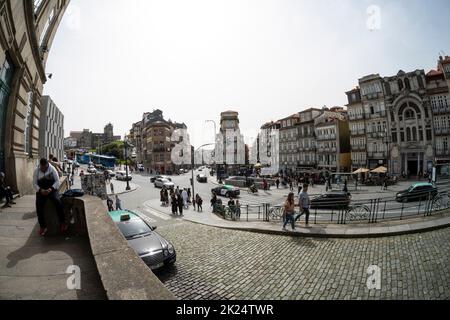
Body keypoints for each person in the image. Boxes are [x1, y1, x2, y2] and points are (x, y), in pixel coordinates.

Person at [33, 158, 67, 236]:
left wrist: (50, 189)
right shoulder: (36, 171)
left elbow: (57, 181)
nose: (43, 170)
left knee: (57, 202)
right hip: (41, 190)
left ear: (47, 165)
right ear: (40, 166)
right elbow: (34, 184)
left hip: (51, 189)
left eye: (45, 168)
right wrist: (40, 190)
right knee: (39, 205)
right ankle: (42, 226)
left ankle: (63, 222)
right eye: (42, 168)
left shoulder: (52, 169)